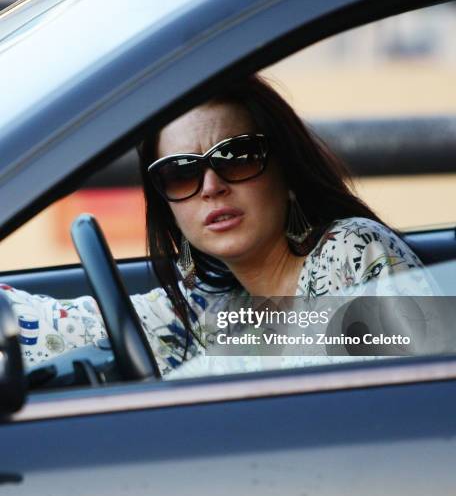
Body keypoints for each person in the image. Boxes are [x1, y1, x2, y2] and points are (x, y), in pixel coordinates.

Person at [1, 75, 435, 379]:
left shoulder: (352, 253)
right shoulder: (204, 313)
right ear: (167, 204)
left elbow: (426, 409)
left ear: (285, 175)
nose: (211, 186)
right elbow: (50, 325)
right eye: (181, 173)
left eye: (237, 157)